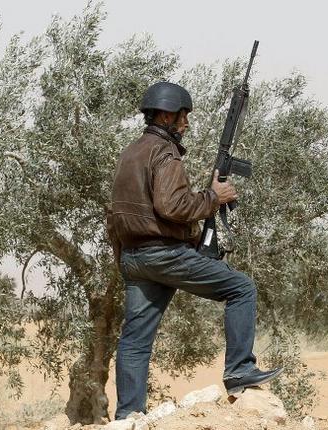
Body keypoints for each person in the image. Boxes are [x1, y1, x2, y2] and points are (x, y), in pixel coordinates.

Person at [106, 81, 283, 420]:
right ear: (165, 114)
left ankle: (128, 417)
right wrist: (215, 197)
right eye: (182, 116)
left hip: (134, 258)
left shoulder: (130, 152)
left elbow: (117, 212)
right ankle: (240, 370)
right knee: (241, 288)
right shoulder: (165, 153)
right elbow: (172, 206)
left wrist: (125, 260)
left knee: (135, 340)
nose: (186, 123)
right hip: (164, 255)